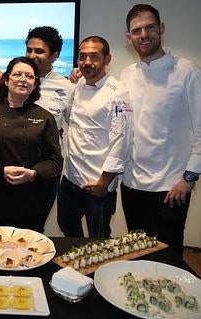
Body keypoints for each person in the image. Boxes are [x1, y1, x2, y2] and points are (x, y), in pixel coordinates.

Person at [120, 4, 201, 254]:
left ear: (161, 28)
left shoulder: (188, 72)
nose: (144, 35)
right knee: (135, 252)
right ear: (129, 37)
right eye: (137, 30)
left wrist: (189, 179)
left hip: (171, 187)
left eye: (150, 27)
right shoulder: (127, 75)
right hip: (132, 183)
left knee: (167, 255)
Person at [0, 56, 63, 233]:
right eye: (18, 74)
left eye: (30, 76)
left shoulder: (45, 118)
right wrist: (0, 171)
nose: (23, 79)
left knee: (31, 250)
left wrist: (33, 174)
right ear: (7, 79)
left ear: (35, 84)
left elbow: (55, 160)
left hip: (33, 201)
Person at [57, 36, 130, 238]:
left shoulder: (118, 93)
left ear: (107, 59)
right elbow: (72, 119)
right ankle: (77, 267)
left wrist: (104, 183)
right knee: (66, 225)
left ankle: (96, 270)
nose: (87, 62)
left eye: (94, 57)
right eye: (82, 57)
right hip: (71, 177)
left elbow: (121, 139)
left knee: (98, 238)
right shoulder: (79, 84)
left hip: (97, 184)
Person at [25, 26, 75, 231]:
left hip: (46, 169)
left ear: (54, 56)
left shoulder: (67, 87)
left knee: (36, 226)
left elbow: (77, 124)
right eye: (29, 50)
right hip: (12, 165)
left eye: (39, 51)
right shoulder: (13, 78)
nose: (32, 55)